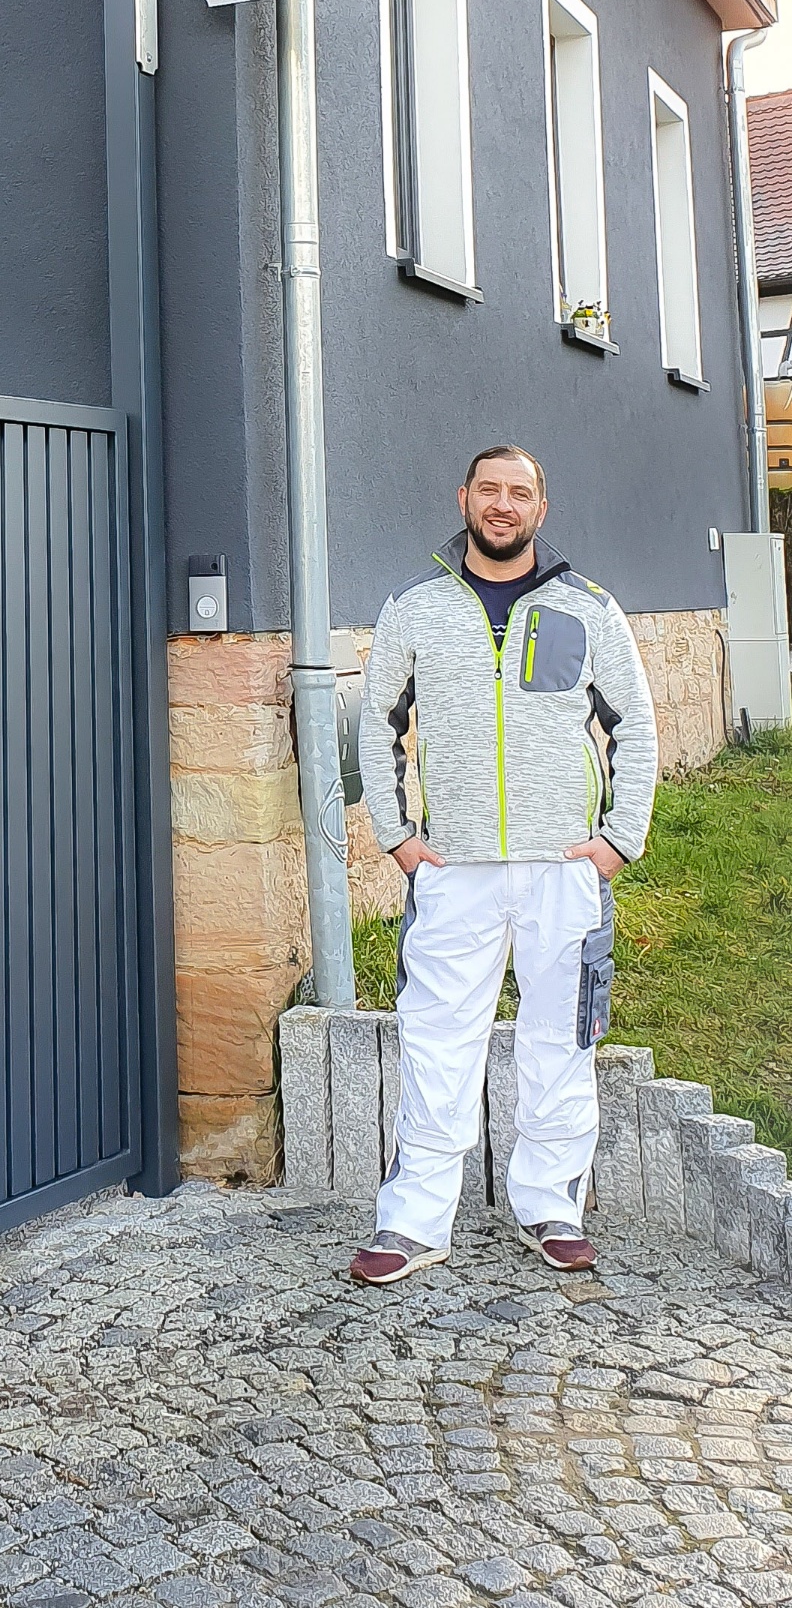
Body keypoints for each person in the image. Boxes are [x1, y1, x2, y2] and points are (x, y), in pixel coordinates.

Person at [350, 444, 658, 1284]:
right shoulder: (415, 606)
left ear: (540, 509)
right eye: (488, 489)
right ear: (464, 499)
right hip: (455, 870)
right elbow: (377, 722)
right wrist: (398, 837)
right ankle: (413, 1221)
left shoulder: (587, 608)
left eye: (518, 492)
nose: (502, 504)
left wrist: (617, 841)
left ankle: (551, 1206)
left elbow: (635, 726)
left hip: (564, 868)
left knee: (559, 1040)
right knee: (437, 1041)